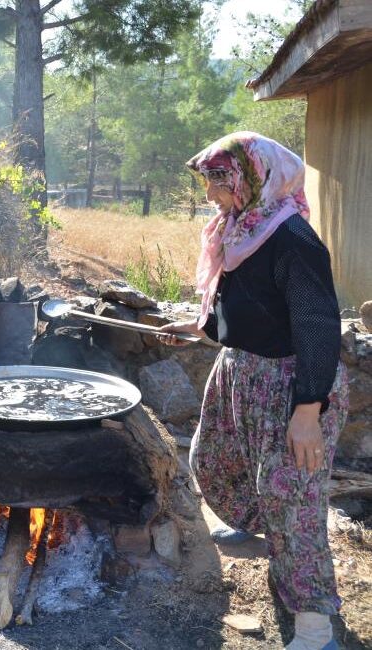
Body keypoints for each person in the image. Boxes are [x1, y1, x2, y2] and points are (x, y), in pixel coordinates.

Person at [160, 132, 349, 650]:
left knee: (292, 495)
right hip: (242, 370)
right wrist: (199, 329)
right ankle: (263, 529)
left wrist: (308, 409)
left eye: (221, 182)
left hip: (294, 383)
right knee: (215, 457)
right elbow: (242, 304)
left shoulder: (292, 240)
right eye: (209, 183)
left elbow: (317, 326)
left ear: (256, 178)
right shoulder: (240, 228)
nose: (212, 195)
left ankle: (315, 624)